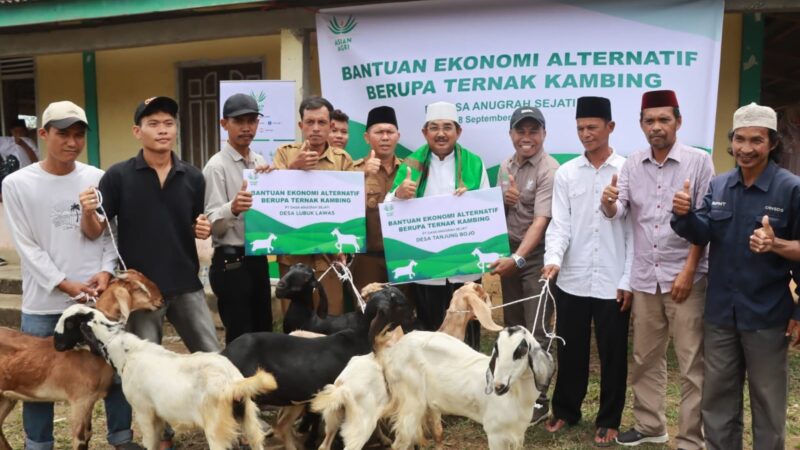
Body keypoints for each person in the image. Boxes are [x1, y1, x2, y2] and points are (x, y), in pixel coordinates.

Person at [3, 101, 142, 450]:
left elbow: (110, 234)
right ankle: (38, 444)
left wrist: (106, 271)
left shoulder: (96, 177)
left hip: (96, 302)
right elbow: (28, 246)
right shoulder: (18, 183)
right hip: (44, 299)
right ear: (43, 134)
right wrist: (63, 283)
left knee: (112, 368)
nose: (71, 141)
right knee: (38, 380)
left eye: (78, 135)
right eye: (63, 133)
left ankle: (122, 438)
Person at [671, 103, 800, 450]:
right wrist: (683, 215)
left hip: (767, 316)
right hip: (721, 315)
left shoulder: (790, 189)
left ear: (772, 143)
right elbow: (703, 232)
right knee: (718, 399)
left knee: (768, 402)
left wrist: (776, 245)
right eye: (739, 139)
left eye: (756, 140)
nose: (746, 148)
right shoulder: (720, 186)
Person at [601, 90, 714, 449]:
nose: (657, 127)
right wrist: (607, 205)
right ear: (641, 125)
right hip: (645, 278)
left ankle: (691, 439)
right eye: (650, 121)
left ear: (678, 122)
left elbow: (708, 224)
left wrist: (688, 271)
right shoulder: (632, 163)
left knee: (691, 362)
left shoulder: (699, 162)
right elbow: (621, 210)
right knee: (645, 358)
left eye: (664, 119)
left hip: (687, 279)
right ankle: (651, 427)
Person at [541, 97, 632, 445]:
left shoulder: (627, 170)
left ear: (610, 127)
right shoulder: (566, 173)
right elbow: (560, 225)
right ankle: (565, 410)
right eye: (580, 128)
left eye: (593, 127)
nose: (586, 134)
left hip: (613, 279)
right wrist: (553, 259)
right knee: (571, 348)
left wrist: (628, 279)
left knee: (612, 352)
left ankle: (609, 418)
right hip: (573, 277)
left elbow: (633, 231)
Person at [386, 101, 489, 349]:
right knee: (430, 333)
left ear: (458, 131)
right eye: (434, 127)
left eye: (447, 127)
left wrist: (472, 201)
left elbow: (487, 212)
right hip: (427, 269)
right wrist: (398, 194)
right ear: (424, 133)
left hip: (465, 268)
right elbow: (389, 208)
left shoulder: (475, 163)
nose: (441, 133)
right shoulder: (411, 164)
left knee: (467, 333)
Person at [487, 106, 559, 423]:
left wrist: (519, 259)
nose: (526, 137)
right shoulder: (506, 165)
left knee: (537, 331)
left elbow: (541, 221)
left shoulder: (549, 169)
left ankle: (539, 399)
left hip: (535, 259)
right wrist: (502, 203)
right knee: (513, 328)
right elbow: (499, 215)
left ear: (543, 134)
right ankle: (516, 391)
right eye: (521, 131)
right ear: (511, 134)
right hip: (510, 255)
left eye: (533, 131)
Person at [272, 96, 353, 315]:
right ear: (301, 125)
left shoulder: (343, 160)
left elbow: (349, 208)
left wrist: (342, 247)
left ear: (330, 126)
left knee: (330, 318)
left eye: (322, 122)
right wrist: (294, 167)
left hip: (329, 256)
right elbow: (272, 201)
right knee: (295, 323)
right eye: (310, 122)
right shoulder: (284, 154)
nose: (315, 128)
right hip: (293, 255)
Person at [203, 93, 273, 344]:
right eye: (239, 121)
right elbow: (213, 225)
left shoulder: (260, 162)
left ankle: (263, 384)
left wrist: (274, 182)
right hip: (230, 262)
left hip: (257, 258)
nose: (246, 127)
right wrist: (232, 208)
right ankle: (238, 383)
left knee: (264, 330)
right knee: (241, 339)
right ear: (224, 124)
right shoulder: (216, 166)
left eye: (252, 120)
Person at [351, 106, 402, 290]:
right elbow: (344, 212)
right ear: (366, 137)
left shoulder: (409, 171)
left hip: (401, 258)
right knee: (368, 313)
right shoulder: (353, 171)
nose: (385, 137)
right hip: (367, 260)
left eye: (390, 132)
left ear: (398, 136)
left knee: (403, 313)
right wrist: (362, 177)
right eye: (379, 132)